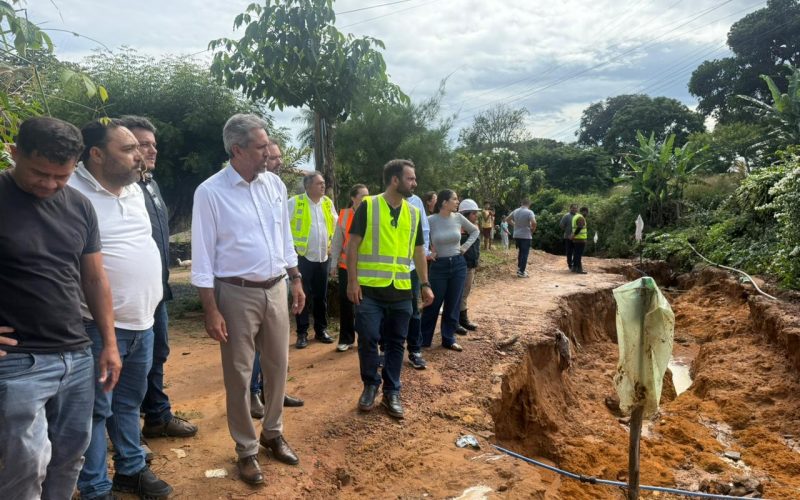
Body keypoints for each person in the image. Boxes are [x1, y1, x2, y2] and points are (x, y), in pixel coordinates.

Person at [0, 117, 121, 500]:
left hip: (76, 353)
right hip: (17, 360)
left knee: (70, 456)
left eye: (62, 176)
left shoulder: (80, 206)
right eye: (40, 173)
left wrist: (110, 343)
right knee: (27, 462)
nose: (50, 185)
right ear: (14, 153)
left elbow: (95, 279)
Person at [192, 114, 305, 485]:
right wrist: (211, 307)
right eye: (260, 147)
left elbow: (283, 236)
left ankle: (273, 433)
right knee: (240, 376)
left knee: (277, 367)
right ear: (237, 150)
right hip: (235, 293)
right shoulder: (210, 192)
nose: (268, 153)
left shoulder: (273, 184)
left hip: (276, 288)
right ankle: (246, 450)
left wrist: (295, 278)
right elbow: (204, 254)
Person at [70, 119, 172, 499]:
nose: (140, 155)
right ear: (96, 155)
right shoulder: (70, 190)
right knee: (95, 409)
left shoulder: (134, 189)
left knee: (128, 403)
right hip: (95, 326)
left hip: (144, 319)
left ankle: (130, 469)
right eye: (128, 150)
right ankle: (95, 487)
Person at [119, 116, 199, 445]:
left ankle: (156, 416)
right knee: (127, 365)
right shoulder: (120, 189)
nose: (152, 149)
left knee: (158, 352)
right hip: (128, 297)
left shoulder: (150, 183)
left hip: (157, 290)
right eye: (142, 144)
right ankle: (126, 431)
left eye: (153, 144)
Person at [346, 159, 433, 419]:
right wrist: (352, 281)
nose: (414, 183)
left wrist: (425, 284)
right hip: (370, 291)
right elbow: (353, 245)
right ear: (395, 180)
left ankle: (392, 391)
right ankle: (371, 385)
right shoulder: (369, 206)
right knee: (369, 339)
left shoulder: (414, 212)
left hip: (401, 291)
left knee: (397, 343)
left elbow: (418, 251)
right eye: (410, 178)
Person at [249, 141, 304, 419]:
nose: (277, 161)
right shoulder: (239, 193)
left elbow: (285, 238)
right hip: (247, 288)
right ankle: (253, 393)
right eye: (272, 156)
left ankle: (274, 391)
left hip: (278, 281)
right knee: (254, 348)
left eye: (279, 156)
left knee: (275, 347)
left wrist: (295, 277)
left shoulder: (277, 189)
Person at [420, 189, 479, 351]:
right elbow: (419, 238)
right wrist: (427, 253)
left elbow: (475, 231)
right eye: (454, 199)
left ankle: (448, 338)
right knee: (433, 303)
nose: (457, 202)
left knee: (453, 303)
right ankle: (423, 339)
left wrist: (464, 247)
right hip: (439, 266)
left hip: (459, 264)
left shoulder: (459, 218)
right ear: (444, 202)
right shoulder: (430, 220)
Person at [289, 171, 338, 349]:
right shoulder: (296, 202)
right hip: (302, 258)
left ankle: (321, 330)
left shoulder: (327, 203)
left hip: (322, 257)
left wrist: (334, 247)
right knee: (302, 296)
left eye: (323, 183)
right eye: (319, 183)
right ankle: (302, 333)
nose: (323, 186)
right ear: (308, 186)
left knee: (321, 296)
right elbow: (283, 227)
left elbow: (335, 225)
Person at [329, 184, 369, 352]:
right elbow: (338, 241)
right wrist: (333, 265)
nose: (366, 200)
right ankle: (346, 338)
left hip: (367, 267)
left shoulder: (372, 214)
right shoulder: (344, 215)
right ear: (353, 198)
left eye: (368, 196)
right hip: (346, 266)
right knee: (346, 302)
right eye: (363, 196)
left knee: (366, 305)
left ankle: (367, 339)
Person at [458, 199, 481, 332]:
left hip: (471, 265)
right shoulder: (460, 231)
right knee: (460, 294)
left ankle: (461, 319)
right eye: (473, 213)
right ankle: (460, 320)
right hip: (463, 266)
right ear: (466, 215)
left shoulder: (473, 229)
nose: (476, 215)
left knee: (465, 293)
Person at [506, 199, 537, 278]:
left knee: (521, 252)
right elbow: (534, 223)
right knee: (525, 253)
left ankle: (520, 268)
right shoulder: (529, 212)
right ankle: (521, 271)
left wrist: (515, 225)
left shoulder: (515, 211)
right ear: (529, 204)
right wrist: (532, 230)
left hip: (516, 235)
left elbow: (507, 219)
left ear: (521, 203)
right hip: (525, 235)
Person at [570, 207, 589, 274]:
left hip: (576, 239)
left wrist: (573, 235)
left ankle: (574, 268)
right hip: (580, 239)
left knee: (576, 253)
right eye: (587, 212)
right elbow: (580, 227)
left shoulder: (575, 216)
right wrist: (574, 235)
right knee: (578, 254)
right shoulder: (581, 217)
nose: (587, 214)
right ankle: (579, 269)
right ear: (584, 211)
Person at [560, 203, 578, 271]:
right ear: (570, 208)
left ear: (577, 209)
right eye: (573, 208)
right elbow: (561, 225)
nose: (574, 209)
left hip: (577, 238)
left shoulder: (579, 216)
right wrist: (567, 230)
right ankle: (570, 265)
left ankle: (575, 265)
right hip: (568, 237)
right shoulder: (566, 216)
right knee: (569, 252)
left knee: (576, 252)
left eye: (575, 208)